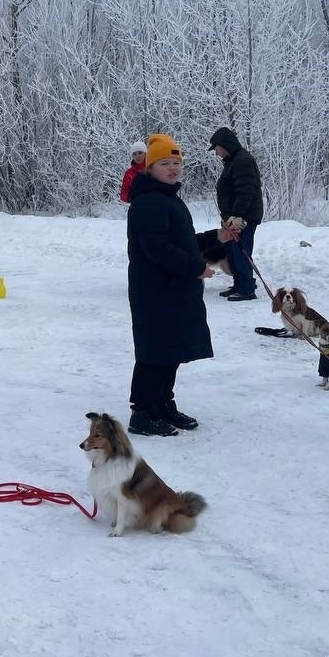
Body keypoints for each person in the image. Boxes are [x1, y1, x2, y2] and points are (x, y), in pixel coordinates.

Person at [126, 135, 238, 437]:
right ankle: (142, 413)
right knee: (153, 352)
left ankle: (162, 404)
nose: (173, 168)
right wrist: (196, 267)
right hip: (156, 290)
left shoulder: (167, 199)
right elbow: (157, 247)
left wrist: (217, 237)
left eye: (177, 163)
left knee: (169, 351)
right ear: (150, 167)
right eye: (165, 163)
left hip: (173, 289)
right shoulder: (148, 202)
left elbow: (184, 243)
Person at [210, 126, 264, 301]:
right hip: (232, 217)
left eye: (216, 148)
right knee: (232, 251)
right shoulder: (233, 161)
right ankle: (239, 285)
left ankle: (247, 288)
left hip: (243, 218)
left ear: (224, 145)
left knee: (241, 251)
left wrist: (237, 215)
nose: (216, 153)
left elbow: (246, 190)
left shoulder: (242, 161)